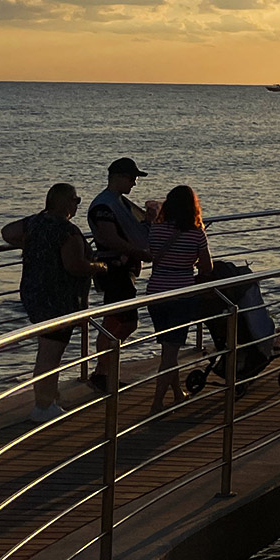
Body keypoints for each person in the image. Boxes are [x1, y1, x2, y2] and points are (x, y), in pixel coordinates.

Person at [0, 183, 94, 424]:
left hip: (34, 295)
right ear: (65, 203)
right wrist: (99, 268)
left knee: (48, 349)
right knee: (51, 353)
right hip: (58, 299)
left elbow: (8, 231)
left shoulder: (35, 224)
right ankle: (43, 406)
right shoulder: (67, 231)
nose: (77, 204)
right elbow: (75, 265)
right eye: (75, 200)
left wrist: (34, 242)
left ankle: (49, 397)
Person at [85, 158, 156, 393]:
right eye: (132, 178)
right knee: (122, 321)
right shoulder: (104, 206)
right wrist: (139, 252)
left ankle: (103, 371)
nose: (135, 183)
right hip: (114, 269)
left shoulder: (119, 203)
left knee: (115, 321)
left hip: (123, 268)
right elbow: (108, 239)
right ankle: (102, 371)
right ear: (118, 177)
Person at [145, 184, 216, 415]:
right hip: (181, 295)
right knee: (169, 353)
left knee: (169, 349)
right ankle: (157, 403)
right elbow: (207, 267)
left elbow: (150, 253)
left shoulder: (155, 230)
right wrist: (190, 262)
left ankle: (177, 394)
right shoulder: (196, 233)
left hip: (155, 294)